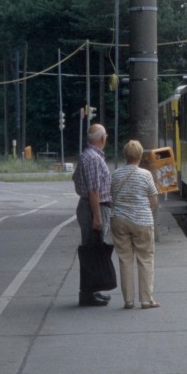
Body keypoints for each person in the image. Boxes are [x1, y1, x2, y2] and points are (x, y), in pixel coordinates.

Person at [110, 139, 159, 310]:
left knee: (125, 260)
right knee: (145, 259)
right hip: (142, 222)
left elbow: (112, 196)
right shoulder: (145, 175)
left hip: (120, 221)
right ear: (140, 156)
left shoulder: (116, 174)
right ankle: (146, 300)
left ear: (125, 155)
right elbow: (153, 200)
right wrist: (145, 212)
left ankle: (128, 300)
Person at [73, 123, 113, 307]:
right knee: (91, 251)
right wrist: (97, 216)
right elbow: (94, 190)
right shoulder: (93, 159)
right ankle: (87, 293)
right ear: (102, 138)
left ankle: (93, 290)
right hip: (94, 208)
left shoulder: (88, 156)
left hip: (90, 206)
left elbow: (75, 180)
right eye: (106, 135)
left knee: (94, 249)